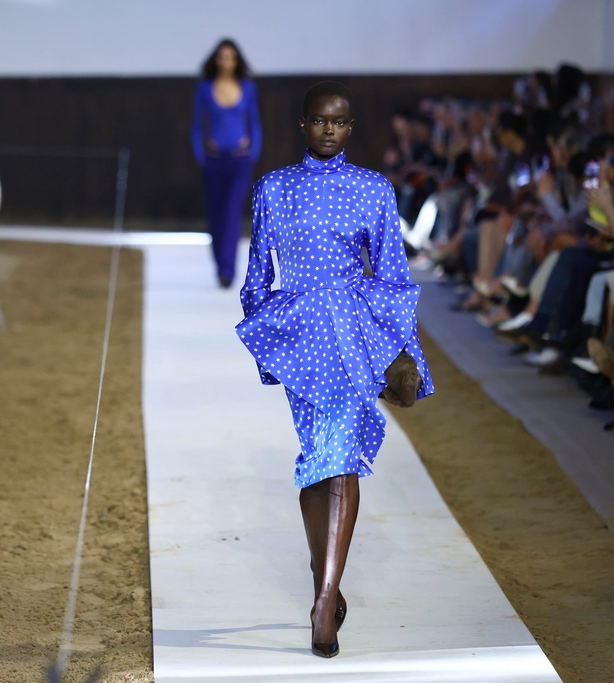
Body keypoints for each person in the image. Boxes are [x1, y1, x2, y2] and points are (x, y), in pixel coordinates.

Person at [235, 81, 434, 658]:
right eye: (320, 121)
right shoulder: (273, 188)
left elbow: (395, 278)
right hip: (302, 337)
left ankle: (324, 603)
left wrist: (404, 351)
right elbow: (256, 275)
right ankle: (324, 573)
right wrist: (268, 333)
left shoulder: (373, 189)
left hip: (352, 333)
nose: (329, 130)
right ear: (303, 124)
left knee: (340, 453)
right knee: (317, 459)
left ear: (350, 128)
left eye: (340, 123)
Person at [192, 38, 262, 288]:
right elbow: (197, 124)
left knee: (232, 213)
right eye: (222, 57)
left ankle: (227, 271)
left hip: (239, 161)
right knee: (216, 215)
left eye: (230, 57)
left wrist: (253, 151)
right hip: (213, 161)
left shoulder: (247, 88)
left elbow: (254, 121)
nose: (226, 62)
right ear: (216, 60)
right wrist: (201, 154)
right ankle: (219, 264)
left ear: (236, 61)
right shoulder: (205, 88)